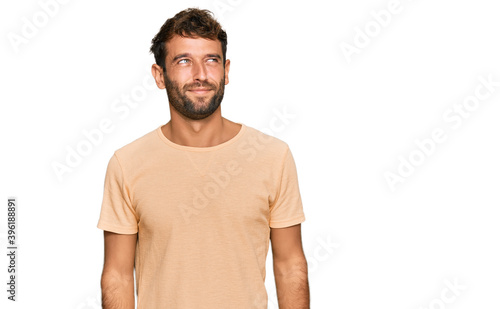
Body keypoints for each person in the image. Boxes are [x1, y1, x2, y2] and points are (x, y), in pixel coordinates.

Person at [97, 8, 309, 309]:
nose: (201, 75)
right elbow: (117, 275)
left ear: (226, 71)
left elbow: (290, 265)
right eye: (184, 61)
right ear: (160, 75)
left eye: (212, 60)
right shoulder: (127, 164)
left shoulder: (273, 156)